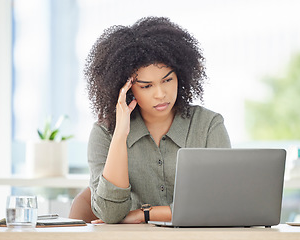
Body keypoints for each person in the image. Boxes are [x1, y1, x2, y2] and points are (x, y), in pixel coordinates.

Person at [85, 16, 231, 224]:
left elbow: (221, 204)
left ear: (181, 75)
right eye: (146, 86)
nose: (161, 94)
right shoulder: (104, 133)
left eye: (168, 80)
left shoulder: (208, 125)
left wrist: (145, 214)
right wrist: (120, 135)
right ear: (125, 89)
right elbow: (110, 214)